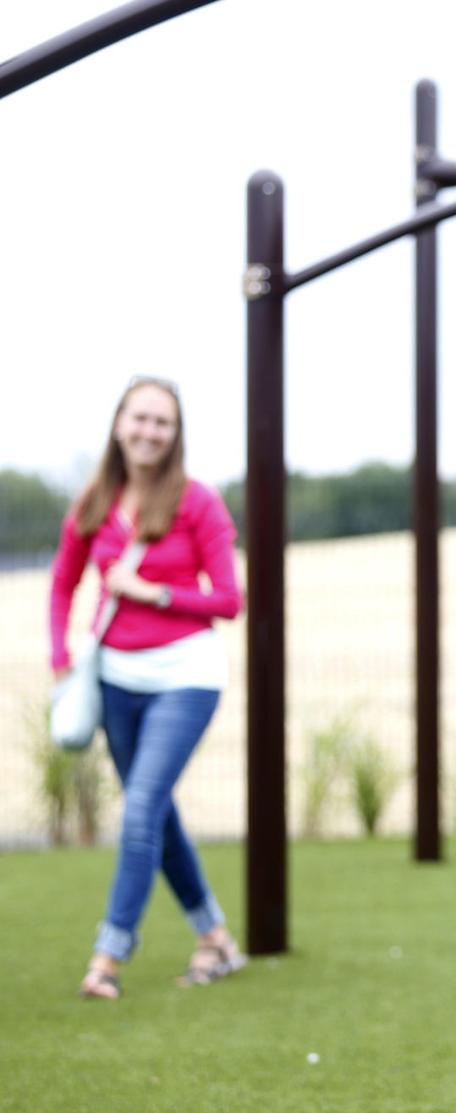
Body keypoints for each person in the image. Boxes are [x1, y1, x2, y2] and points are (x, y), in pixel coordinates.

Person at [49, 376, 246, 999]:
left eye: (162, 422)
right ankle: (214, 936)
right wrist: (60, 655)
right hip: (114, 679)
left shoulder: (198, 502)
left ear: (175, 433)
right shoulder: (94, 501)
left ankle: (108, 956)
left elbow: (229, 599)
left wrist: (154, 592)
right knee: (153, 809)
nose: (149, 431)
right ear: (119, 423)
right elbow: (63, 583)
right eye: (140, 418)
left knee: (139, 809)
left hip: (185, 677)